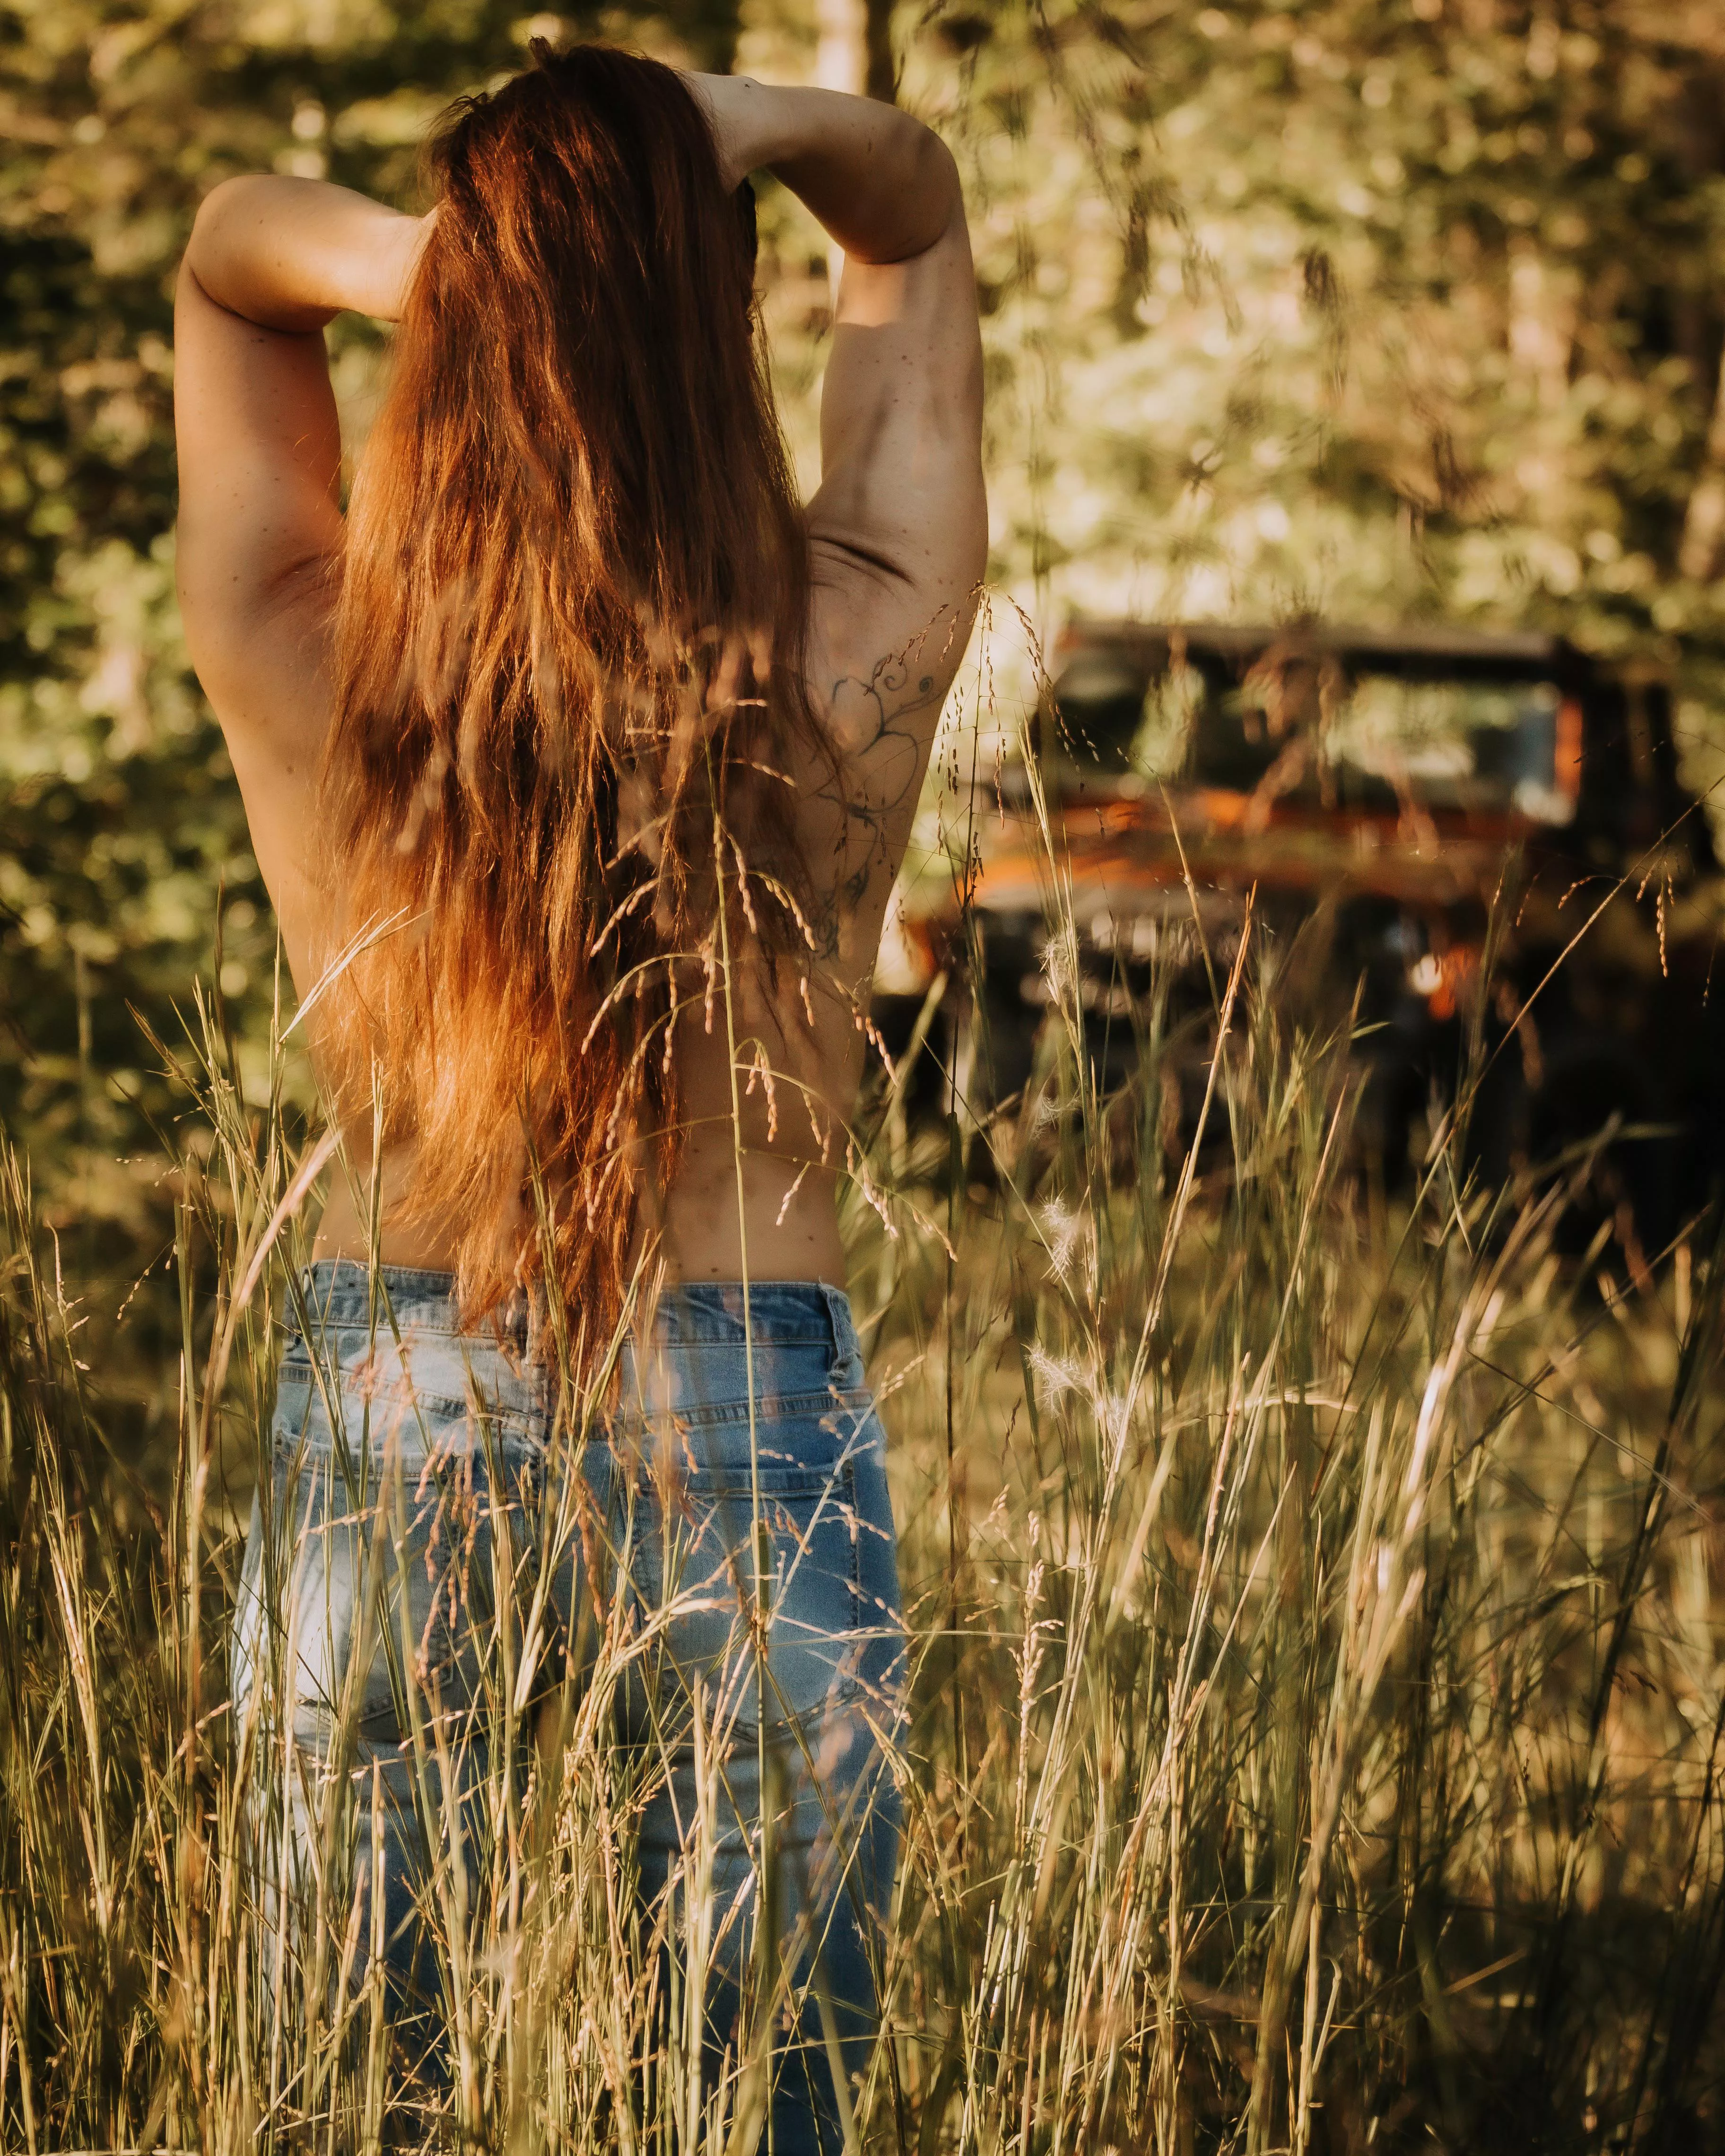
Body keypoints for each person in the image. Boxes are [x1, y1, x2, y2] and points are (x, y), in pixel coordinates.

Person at [175, 40, 984, 2153]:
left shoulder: (312, 649)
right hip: (748, 1402)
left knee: (351, 2091)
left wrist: (451, 262)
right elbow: (915, 214)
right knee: (760, 2098)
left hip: (401, 1396)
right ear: (714, 331)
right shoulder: (851, 640)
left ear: (455, 338)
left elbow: (226, 258)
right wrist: (742, 135)